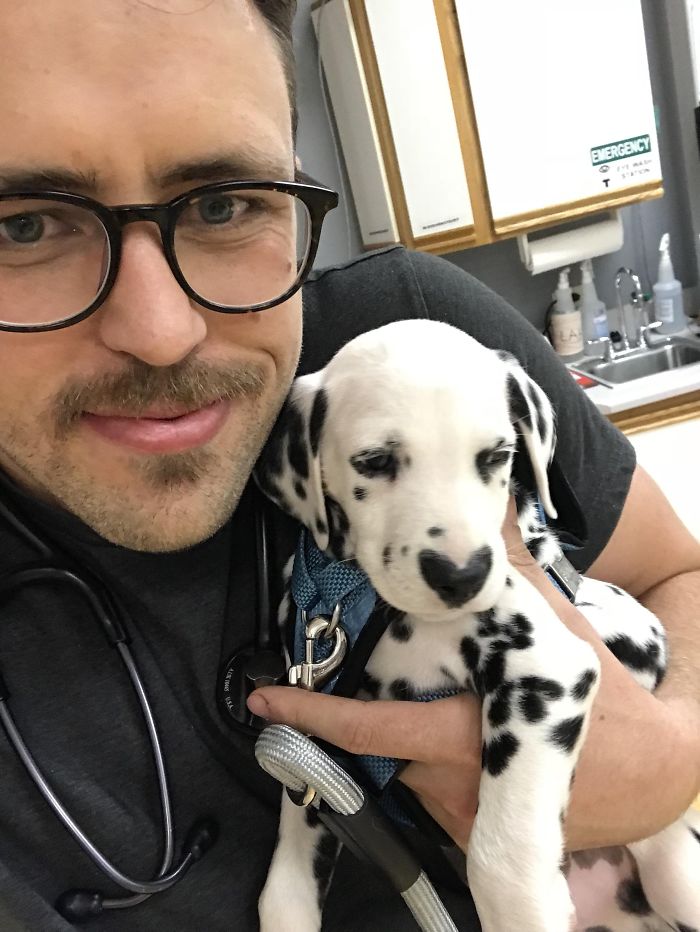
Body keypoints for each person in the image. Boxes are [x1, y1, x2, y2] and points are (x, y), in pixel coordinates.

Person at [0, 1, 697, 930]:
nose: (162, 333)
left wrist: (676, 753)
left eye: (223, 205)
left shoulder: (416, 345)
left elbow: (677, 572)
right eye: (24, 226)